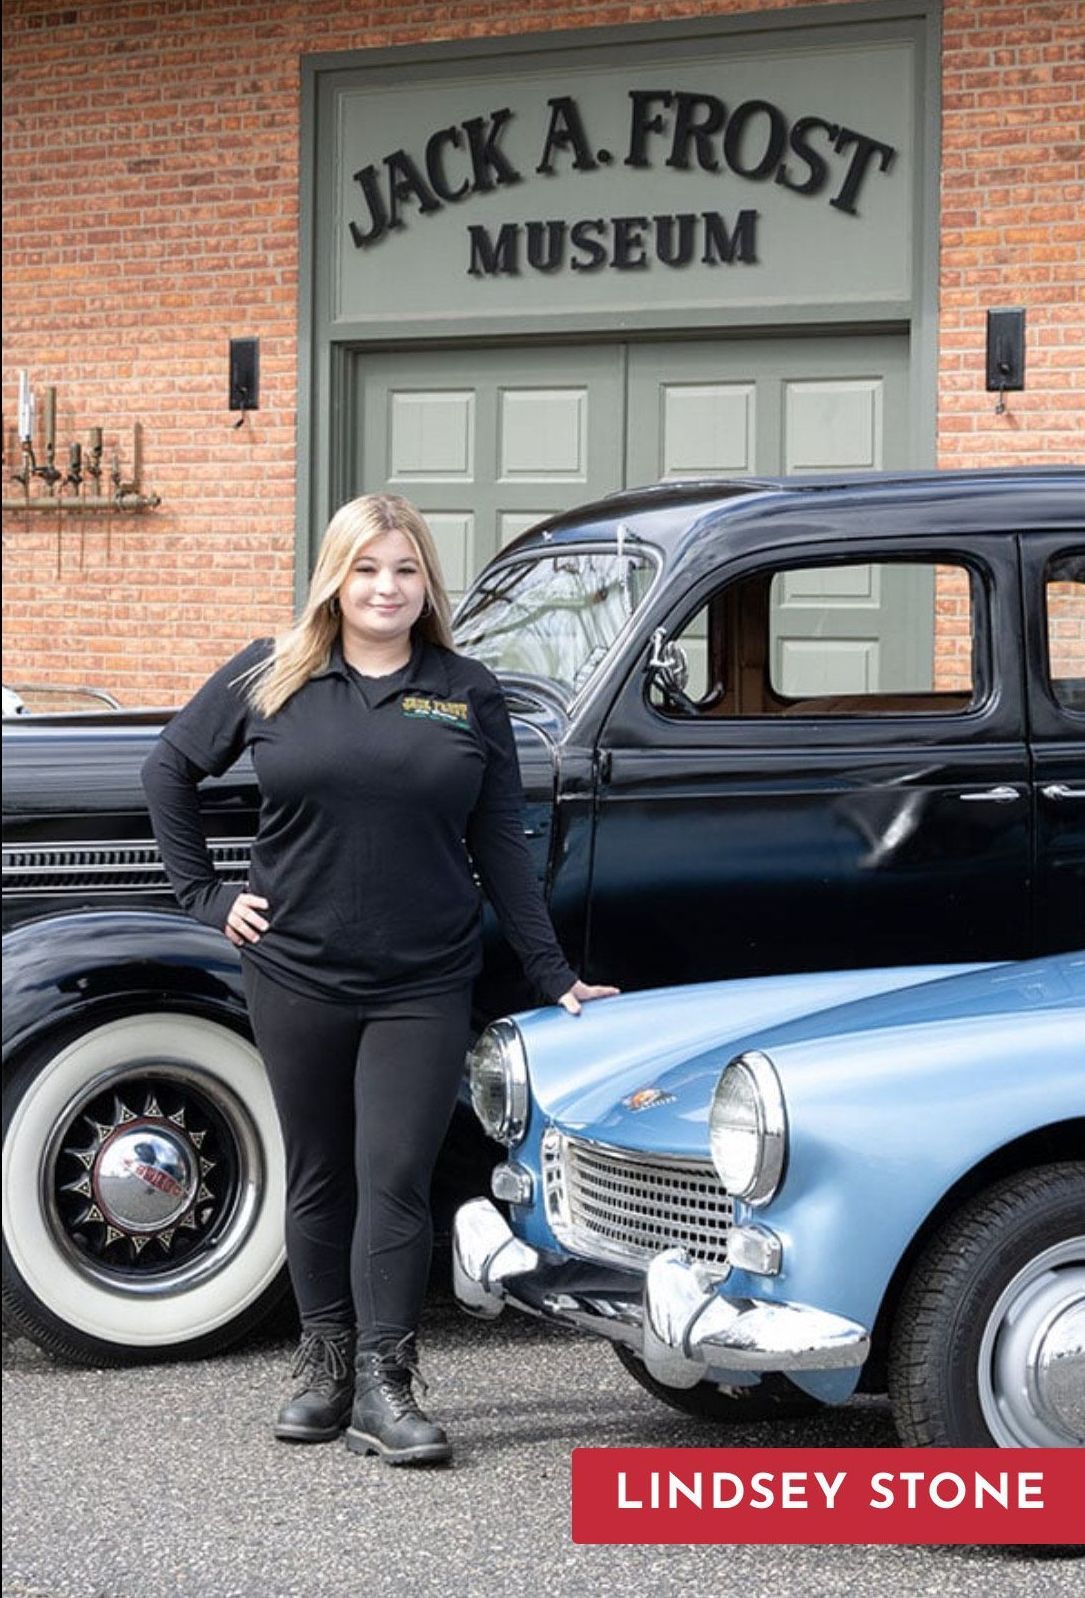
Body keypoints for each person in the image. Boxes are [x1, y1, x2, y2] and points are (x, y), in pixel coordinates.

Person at [141, 493, 616, 1467]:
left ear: (424, 583)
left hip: (422, 978)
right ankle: (323, 1364)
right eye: (365, 569)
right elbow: (168, 769)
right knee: (317, 1173)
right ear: (335, 578)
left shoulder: (467, 690)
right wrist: (202, 894)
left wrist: (551, 972)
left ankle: (386, 1382)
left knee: (392, 1176)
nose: (385, 587)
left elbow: (501, 847)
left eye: (402, 569)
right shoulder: (272, 671)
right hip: (295, 971)